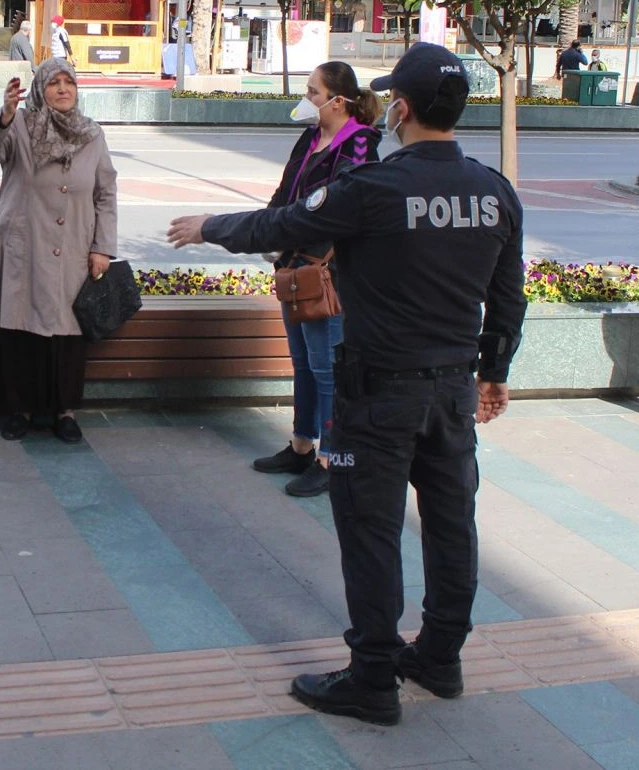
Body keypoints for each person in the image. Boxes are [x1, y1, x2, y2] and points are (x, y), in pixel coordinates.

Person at [167, 43, 526, 727]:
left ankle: (372, 676)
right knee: (452, 528)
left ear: (402, 108)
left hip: (380, 395)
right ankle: (440, 658)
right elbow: (509, 300)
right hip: (452, 394)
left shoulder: (376, 189)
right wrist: (495, 372)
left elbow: (285, 224)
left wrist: (210, 226)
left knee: (372, 532)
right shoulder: (493, 190)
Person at [252, 62, 382, 498]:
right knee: (304, 362)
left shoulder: (360, 145)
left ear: (338, 100)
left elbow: (345, 209)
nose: (307, 99)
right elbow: (286, 190)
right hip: (294, 267)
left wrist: (291, 233)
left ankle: (330, 457)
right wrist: (268, 230)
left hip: (328, 271)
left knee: (327, 368)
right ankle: (302, 444)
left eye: (313, 92)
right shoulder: (310, 138)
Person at [0, 57, 117, 444]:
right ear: (40, 89)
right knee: (21, 331)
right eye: (54, 83)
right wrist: (4, 114)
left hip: (74, 248)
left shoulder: (92, 134)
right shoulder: (20, 125)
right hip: (25, 243)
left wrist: (103, 247)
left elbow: (105, 192)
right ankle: (19, 410)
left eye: (69, 82)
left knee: (69, 336)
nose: (63, 89)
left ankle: (65, 412)